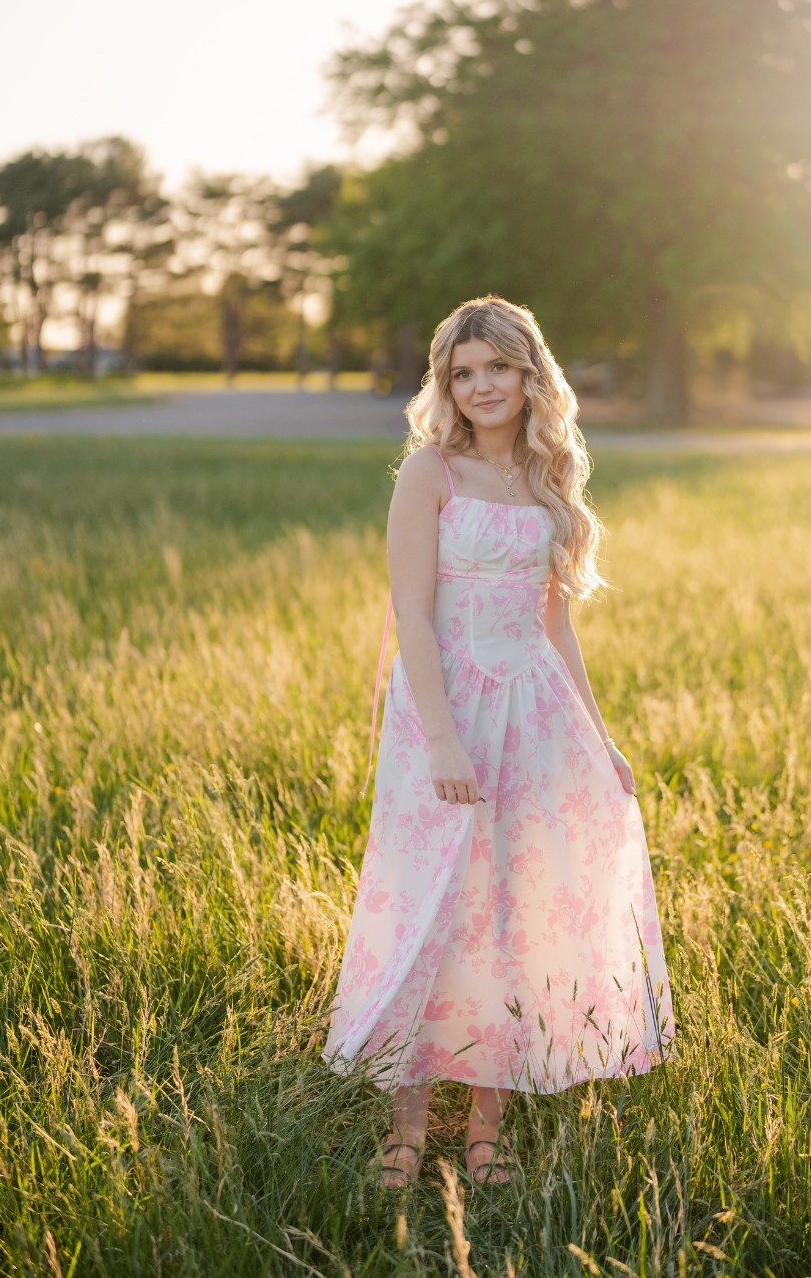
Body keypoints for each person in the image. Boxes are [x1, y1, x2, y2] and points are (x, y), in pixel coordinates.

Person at [321, 295, 675, 1188]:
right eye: (462, 372)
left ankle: (486, 1124)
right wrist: (442, 741)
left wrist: (602, 741)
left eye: (498, 369)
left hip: (536, 710)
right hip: (445, 711)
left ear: (530, 375)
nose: (481, 386)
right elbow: (412, 613)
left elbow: (556, 629)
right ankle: (405, 1127)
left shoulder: (549, 480)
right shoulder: (429, 474)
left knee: (513, 906)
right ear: (446, 384)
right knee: (432, 901)